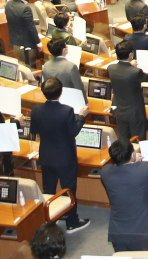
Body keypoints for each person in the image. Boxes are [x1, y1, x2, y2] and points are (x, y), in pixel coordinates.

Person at [30, 78, 91, 233]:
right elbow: (73, 132)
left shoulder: (36, 109)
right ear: (61, 92)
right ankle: (72, 221)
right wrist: (81, 117)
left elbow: (33, 130)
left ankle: (51, 221)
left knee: (48, 190)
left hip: (45, 156)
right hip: (65, 157)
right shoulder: (67, 110)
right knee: (69, 189)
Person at [108, 40, 148, 141]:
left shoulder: (111, 68)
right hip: (135, 113)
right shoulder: (135, 72)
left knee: (124, 140)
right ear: (131, 54)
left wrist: (130, 65)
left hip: (120, 112)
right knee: (138, 140)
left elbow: (123, 70)